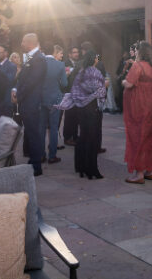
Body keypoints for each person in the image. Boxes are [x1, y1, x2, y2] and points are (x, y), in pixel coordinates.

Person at [54, 49, 106, 179]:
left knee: (82, 137)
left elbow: (74, 91)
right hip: (92, 108)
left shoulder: (80, 73)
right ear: (94, 59)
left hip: (81, 109)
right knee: (92, 139)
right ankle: (92, 169)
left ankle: (80, 166)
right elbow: (101, 92)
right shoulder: (96, 72)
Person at [122, 41, 152, 184]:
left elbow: (130, 83)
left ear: (140, 52)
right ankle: (149, 170)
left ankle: (139, 174)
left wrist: (123, 82)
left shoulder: (137, 66)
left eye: (136, 50)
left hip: (139, 104)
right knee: (150, 137)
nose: (135, 53)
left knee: (137, 136)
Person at [12, 33, 47, 176]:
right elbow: (22, 79)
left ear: (30, 43)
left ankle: (36, 166)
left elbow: (32, 82)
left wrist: (18, 96)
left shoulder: (38, 59)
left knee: (34, 134)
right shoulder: (32, 58)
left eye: (23, 42)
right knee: (31, 133)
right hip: (27, 102)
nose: (21, 44)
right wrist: (15, 90)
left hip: (32, 103)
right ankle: (33, 161)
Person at [42, 45, 69, 164]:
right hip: (55, 99)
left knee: (41, 129)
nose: (62, 55)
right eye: (61, 53)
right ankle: (52, 156)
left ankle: (41, 155)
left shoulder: (40, 63)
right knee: (53, 128)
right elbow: (64, 84)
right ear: (55, 52)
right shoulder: (60, 65)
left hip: (41, 98)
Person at [63, 46, 83, 146]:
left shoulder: (79, 63)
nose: (76, 54)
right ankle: (67, 137)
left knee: (76, 116)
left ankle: (75, 137)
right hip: (69, 93)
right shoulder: (66, 63)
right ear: (70, 54)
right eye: (74, 52)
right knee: (69, 116)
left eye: (77, 52)